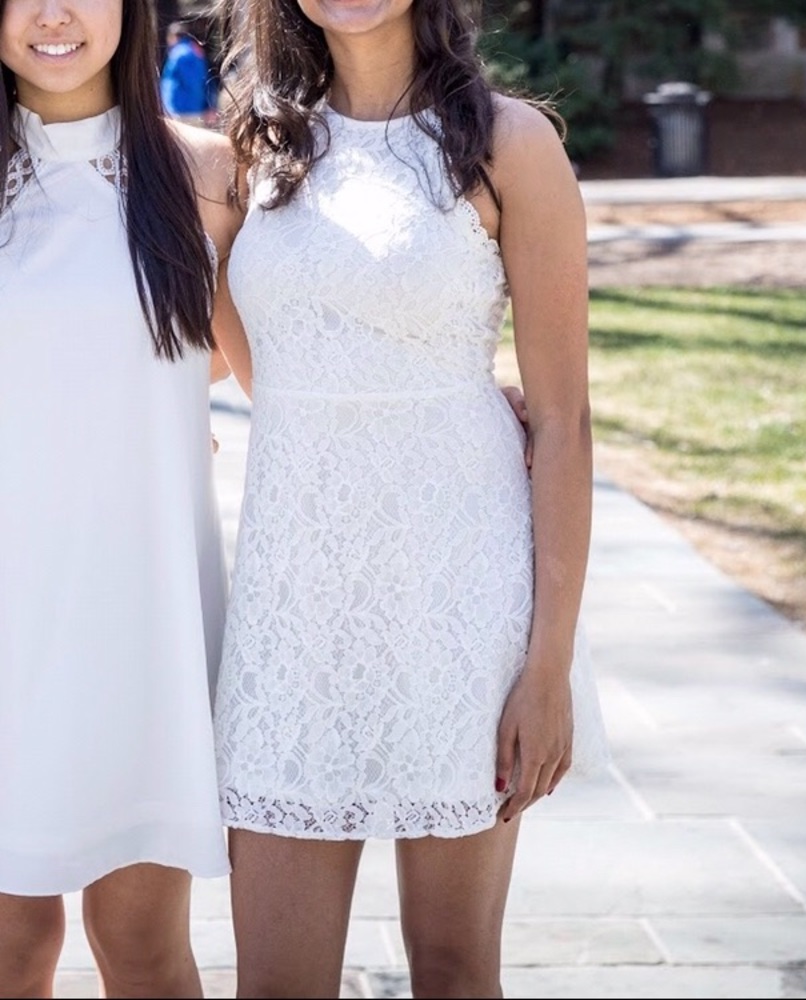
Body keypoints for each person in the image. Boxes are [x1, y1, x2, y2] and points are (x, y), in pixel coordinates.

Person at [208, 0, 611, 995]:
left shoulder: (511, 143)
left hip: (458, 601)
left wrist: (547, 663)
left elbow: (561, 420)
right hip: (294, 602)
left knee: (453, 965)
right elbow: (265, 367)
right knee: (275, 980)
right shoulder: (249, 136)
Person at [0, 0, 243, 995]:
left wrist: (458, 393)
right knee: (10, 947)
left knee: (141, 945)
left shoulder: (206, 174)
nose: (55, 15)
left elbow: (277, 362)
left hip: (139, 618)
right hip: (9, 621)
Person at [160, 19, 217, 127]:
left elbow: (191, 81)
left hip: (180, 109)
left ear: (174, 36)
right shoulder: (196, 52)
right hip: (196, 108)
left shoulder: (179, 54)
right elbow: (204, 81)